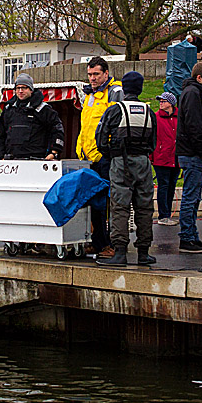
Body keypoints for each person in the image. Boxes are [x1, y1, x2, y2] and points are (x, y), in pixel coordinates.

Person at [94, 71, 157, 266]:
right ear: (140, 88)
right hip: (144, 162)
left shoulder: (115, 110)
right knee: (144, 207)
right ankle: (144, 252)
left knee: (120, 207)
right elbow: (154, 142)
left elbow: (100, 138)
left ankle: (119, 252)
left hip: (121, 162)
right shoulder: (149, 111)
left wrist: (110, 155)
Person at [76, 56, 124, 258]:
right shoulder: (89, 95)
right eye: (89, 74)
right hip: (89, 157)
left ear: (106, 73)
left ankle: (112, 244)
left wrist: (108, 149)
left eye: (96, 74)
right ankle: (98, 242)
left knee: (110, 203)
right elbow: (85, 126)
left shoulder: (114, 92)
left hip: (106, 156)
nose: (92, 78)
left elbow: (117, 122)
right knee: (94, 202)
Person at [175, 61, 202, 253]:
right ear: (199, 77)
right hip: (192, 153)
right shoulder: (193, 94)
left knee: (194, 196)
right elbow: (194, 125)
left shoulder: (190, 93)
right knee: (191, 197)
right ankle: (187, 237)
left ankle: (191, 235)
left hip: (190, 151)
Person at [0, 73, 66, 161]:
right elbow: (1, 136)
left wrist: (54, 153)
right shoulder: (9, 110)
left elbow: (57, 130)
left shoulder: (43, 110)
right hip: (11, 161)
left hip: (36, 160)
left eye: (24, 88)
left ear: (31, 90)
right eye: (18, 88)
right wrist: (0, 156)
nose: (20, 91)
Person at [151, 91, 180, 226]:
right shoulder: (156, 117)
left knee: (172, 185)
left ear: (171, 103)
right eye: (160, 101)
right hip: (161, 157)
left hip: (176, 157)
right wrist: (152, 155)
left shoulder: (180, 117)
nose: (161, 103)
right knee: (163, 185)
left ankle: (167, 213)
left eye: (164, 101)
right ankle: (163, 215)